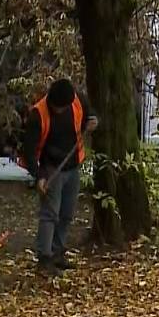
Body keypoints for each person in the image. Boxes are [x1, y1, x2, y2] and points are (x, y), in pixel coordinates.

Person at [21, 79, 99, 275]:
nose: (58, 110)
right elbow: (28, 152)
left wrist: (92, 121)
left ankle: (57, 252)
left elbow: (90, 114)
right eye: (56, 107)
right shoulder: (38, 115)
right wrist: (38, 176)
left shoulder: (77, 100)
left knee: (66, 214)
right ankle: (44, 258)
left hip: (73, 166)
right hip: (51, 169)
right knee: (50, 215)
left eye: (61, 108)